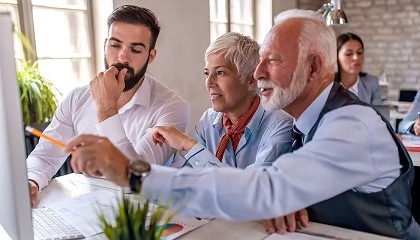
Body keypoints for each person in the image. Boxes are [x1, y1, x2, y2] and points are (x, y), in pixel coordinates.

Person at [64, 9, 420, 239]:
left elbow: (262, 190)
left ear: (313, 68)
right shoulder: (305, 123)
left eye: (273, 61)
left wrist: (132, 173)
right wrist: (289, 196)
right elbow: (275, 190)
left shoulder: (352, 123)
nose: (259, 74)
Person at [26, 5, 189, 207]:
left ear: (151, 56)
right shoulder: (77, 97)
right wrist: (31, 181)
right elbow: (45, 156)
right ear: (105, 45)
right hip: (84, 206)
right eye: (115, 45)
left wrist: (106, 108)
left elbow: (136, 179)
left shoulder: (172, 108)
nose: (122, 57)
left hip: (139, 215)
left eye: (135, 50)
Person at [152, 32, 304, 234]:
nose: (209, 83)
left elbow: (249, 194)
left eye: (221, 73)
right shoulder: (209, 119)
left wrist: (189, 146)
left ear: (251, 81)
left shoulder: (280, 126)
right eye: (207, 73)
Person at [335, 32, 382, 105]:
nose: (356, 58)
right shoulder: (327, 85)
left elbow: (379, 114)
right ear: (337, 57)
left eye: (359, 52)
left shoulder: (371, 83)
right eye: (348, 54)